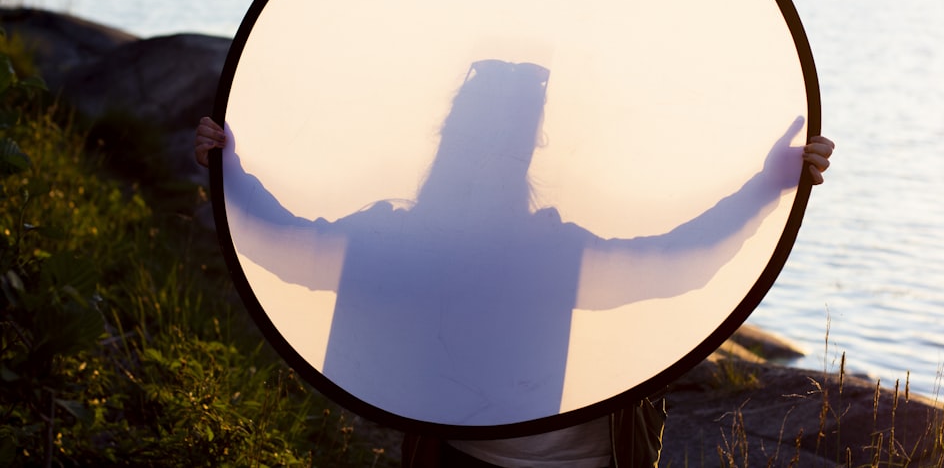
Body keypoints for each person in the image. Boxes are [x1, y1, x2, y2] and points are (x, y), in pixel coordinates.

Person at [194, 94, 834, 468]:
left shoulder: (526, 249)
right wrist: (229, 166)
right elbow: (291, 244)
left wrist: (774, 183)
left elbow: (678, 259)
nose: (485, 167)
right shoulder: (418, 242)